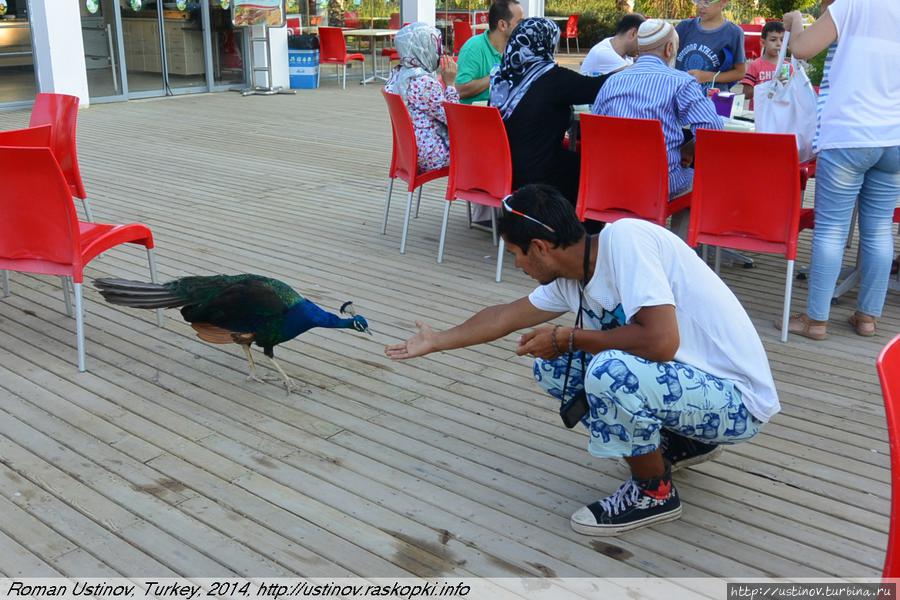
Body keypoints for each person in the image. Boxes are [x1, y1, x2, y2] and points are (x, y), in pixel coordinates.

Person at [386, 184, 780, 536]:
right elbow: (503, 316)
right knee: (553, 366)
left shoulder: (625, 241)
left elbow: (660, 341)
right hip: (696, 393)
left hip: (737, 402)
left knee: (609, 370)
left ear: (539, 247)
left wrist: (570, 337)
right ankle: (683, 443)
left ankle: (654, 493)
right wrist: (437, 340)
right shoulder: (571, 278)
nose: (518, 265)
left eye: (517, 254)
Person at [777, 0, 900, 340]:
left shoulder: (852, 6)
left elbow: (801, 49)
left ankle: (815, 320)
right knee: (877, 230)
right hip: (894, 137)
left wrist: (798, 20)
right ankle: (867, 318)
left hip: (849, 133)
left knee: (831, 229)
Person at [592, 20, 723, 203]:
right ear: (669, 49)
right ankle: (672, 232)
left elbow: (596, 127)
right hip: (659, 183)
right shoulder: (681, 82)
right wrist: (690, 148)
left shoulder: (613, 81)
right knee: (703, 180)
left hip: (611, 181)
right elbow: (713, 128)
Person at [491, 18, 607, 209]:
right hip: (536, 170)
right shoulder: (553, 78)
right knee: (591, 166)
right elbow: (595, 88)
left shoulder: (501, 75)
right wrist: (628, 70)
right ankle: (584, 230)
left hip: (501, 167)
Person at [385, 23, 459, 174]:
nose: (439, 52)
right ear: (423, 49)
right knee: (483, 147)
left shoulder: (399, 74)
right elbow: (455, 119)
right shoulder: (424, 83)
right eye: (435, 47)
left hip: (409, 152)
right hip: (433, 155)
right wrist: (450, 84)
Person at [455, 0, 524, 105]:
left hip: (506, 113)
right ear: (502, 25)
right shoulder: (474, 47)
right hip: (477, 116)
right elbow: (459, 91)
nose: (524, 26)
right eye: (520, 22)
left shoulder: (518, 48)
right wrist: (497, 74)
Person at [675, 0, 746, 93]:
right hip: (681, 96)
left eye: (706, 2)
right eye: (697, 1)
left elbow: (739, 72)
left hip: (712, 101)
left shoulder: (733, 33)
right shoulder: (684, 27)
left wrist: (707, 76)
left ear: (723, 2)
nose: (700, 6)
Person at [740, 21, 792, 109]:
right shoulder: (755, 65)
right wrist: (769, 86)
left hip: (779, 114)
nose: (779, 44)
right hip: (758, 114)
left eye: (782, 40)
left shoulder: (787, 67)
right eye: (773, 40)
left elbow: (789, 94)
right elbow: (746, 94)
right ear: (763, 43)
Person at [580, 13, 645, 77]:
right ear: (633, 33)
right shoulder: (603, 53)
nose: (643, 46)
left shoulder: (619, 48)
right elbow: (640, 75)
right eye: (642, 39)